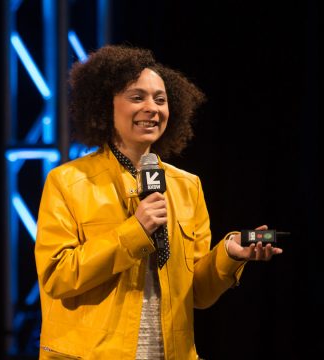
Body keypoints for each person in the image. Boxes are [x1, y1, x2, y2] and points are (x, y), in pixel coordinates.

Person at [34, 45, 283, 359]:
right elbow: (58, 277)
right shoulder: (68, 182)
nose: (152, 108)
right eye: (137, 97)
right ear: (103, 106)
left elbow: (199, 294)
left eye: (160, 99)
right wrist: (135, 231)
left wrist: (229, 255)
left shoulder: (187, 185)